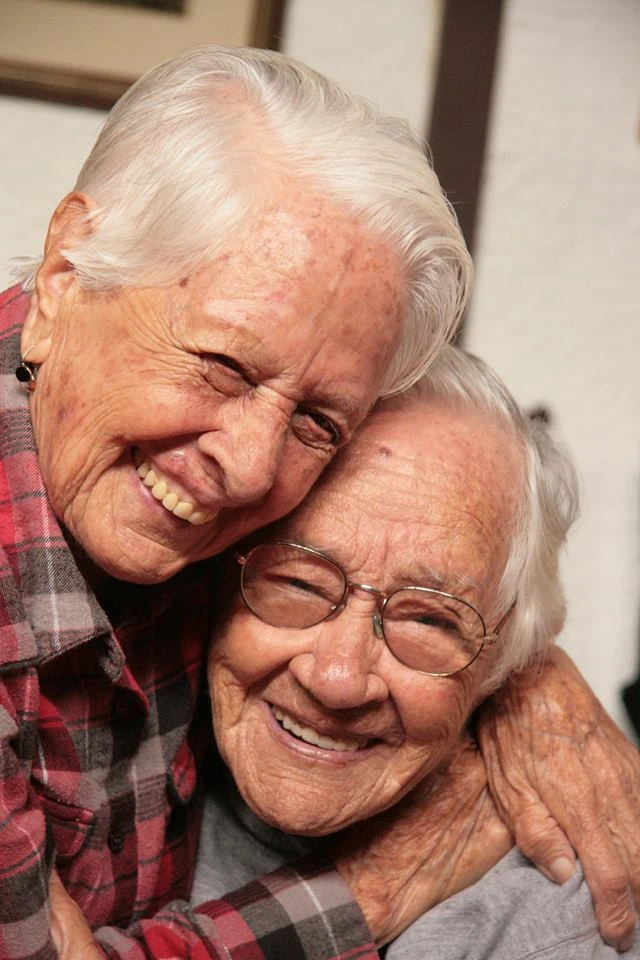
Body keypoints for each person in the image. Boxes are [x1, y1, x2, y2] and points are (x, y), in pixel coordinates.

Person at [0, 43, 637, 960]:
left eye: (317, 421)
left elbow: (416, 538)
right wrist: (374, 888)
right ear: (66, 274)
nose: (252, 469)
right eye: (223, 366)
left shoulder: (161, 500)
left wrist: (515, 675)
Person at [188, 345, 640, 958]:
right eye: (300, 582)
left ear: (504, 662)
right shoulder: (112, 738)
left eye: (429, 618)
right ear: (214, 572)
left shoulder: (554, 922)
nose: (338, 679)